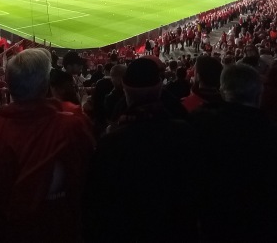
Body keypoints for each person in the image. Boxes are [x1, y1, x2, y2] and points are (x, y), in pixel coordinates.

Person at [0, 48, 94, 242]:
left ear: (9, 85)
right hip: (58, 230)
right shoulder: (73, 124)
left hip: (2, 231)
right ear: (46, 85)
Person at [194, 63, 277, 243]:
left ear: (222, 92)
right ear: (259, 94)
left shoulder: (198, 127)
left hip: (217, 230)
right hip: (269, 232)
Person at [83, 57, 202, 242]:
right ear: (159, 88)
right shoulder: (185, 133)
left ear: (125, 89)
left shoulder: (110, 143)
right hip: (176, 232)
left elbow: (96, 204)